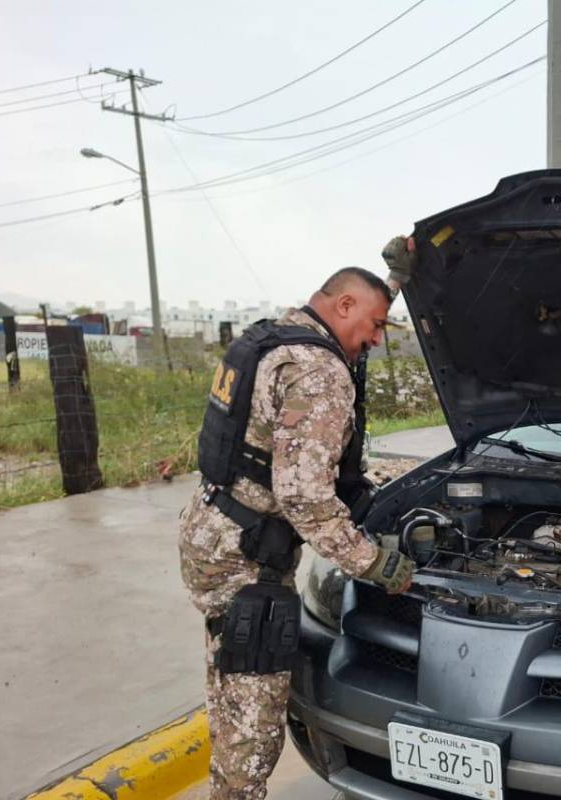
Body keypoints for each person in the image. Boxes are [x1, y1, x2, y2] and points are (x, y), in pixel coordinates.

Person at [178, 238, 419, 800]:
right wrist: (375, 563)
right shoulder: (319, 373)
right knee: (252, 724)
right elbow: (305, 496)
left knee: (229, 682)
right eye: (376, 326)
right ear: (341, 308)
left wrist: (395, 279)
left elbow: (360, 296)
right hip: (247, 565)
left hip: (214, 532)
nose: (377, 339)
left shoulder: (278, 336)